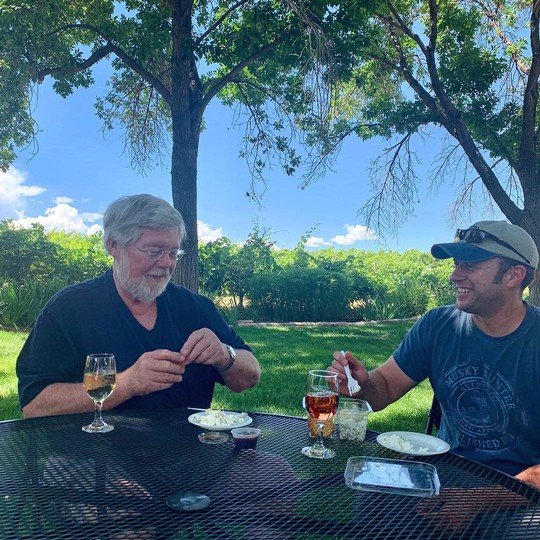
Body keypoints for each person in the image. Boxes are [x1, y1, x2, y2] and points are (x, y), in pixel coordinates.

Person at [329, 220, 540, 488]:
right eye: (456, 264)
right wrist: (362, 384)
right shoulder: (438, 325)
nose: (455, 275)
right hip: (448, 470)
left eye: (471, 266)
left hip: (522, 491)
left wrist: (480, 501)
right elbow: (385, 387)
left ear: (514, 275)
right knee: (372, 498)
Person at [17, 194, 261, 417]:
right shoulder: (69, 309)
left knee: (275, 466)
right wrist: (126, 384)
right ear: (114, 245)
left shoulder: (193, 307)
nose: (166, 263)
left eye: (173, 253)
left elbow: (249, 377)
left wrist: (224, 354)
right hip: (94, 457)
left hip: (190, 455)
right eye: (154, 251)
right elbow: (35, 404)